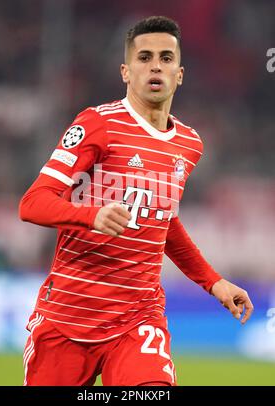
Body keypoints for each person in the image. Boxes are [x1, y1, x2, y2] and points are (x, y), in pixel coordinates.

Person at [19, 16, 254, 386]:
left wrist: (213, 282)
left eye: (165, 57)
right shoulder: (97, 124)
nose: (156, 65)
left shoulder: (190, 144)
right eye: (144, 58)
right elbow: (33, 203)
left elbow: (164, 220)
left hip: (138, 320)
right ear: (126, 72)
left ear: (180, 73)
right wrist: (91, 215)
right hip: (68, 316)